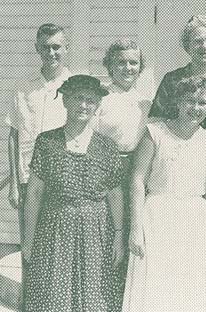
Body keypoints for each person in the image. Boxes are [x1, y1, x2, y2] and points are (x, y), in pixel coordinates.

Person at [22, 75, 125, 312]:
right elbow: (35, 193)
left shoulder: (107, 146)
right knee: (51, 295)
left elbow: (115, 193)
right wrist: (28, 239)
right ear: (66, 101)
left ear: (97, 105)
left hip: (95, 233)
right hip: (54, 230)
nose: (84, 105)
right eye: (78, 99)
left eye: (91, 101)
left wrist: (118, 235)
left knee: (94, 297)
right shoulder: (46, 142)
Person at [122, 77, 206, 312]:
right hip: (157, 218)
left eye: (202, 103)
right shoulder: (154, 133)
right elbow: (137, 180)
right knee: (157, 286)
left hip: (196, 222)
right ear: (177, 101)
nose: (196, 108)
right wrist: (136, 228)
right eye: (190, 101)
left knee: (190, 286)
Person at [4, 23, 71, 306]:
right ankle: (32, 302)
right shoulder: (23, 86)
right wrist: (15, 187)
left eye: (57, 46)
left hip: (63, 178)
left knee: (60, 243)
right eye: (45, 47)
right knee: (29, 245)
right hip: (27, 177)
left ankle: (58, 300)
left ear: (65, 49)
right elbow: (14, 135)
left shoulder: (75, 85)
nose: (51, 52)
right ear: (36, 49)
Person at [92, 39, 152, 305]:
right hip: (104, 169)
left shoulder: (147, 103)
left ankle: (127, 302)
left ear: (140, 67)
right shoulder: (100, 98)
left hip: (138, 173)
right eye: (121, 62)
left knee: (132, 233)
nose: (128, 67)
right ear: (109, 66)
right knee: (107, 235)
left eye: (133, 62)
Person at [149, 15, 206, 139]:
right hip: (179, 151)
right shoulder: (172, 79)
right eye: (198, 41)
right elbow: (157, 122)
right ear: (188, 46)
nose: (204, 46)